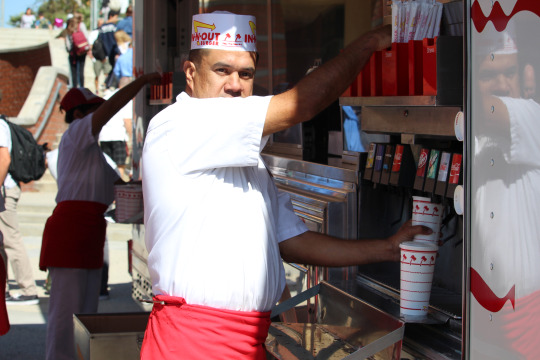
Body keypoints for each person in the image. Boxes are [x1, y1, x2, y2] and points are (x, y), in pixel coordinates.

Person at [140, 12, 430, 359]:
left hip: (247, 341)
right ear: (191, 73)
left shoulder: (249, 163)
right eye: (222, 70)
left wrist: (387, 247)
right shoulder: (181, 125)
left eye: (245, 73)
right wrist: (368, 43)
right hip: (194, 343)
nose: (235, 84)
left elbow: (292, 242)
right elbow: (301, 104)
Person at [39, 73, 160, 360]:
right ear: (78, 114)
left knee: (85, 313)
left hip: (89, 232)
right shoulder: (77, 133)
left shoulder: (91, 153)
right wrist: (139, 84)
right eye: (92, 109)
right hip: (71, 229)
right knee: (64, 314)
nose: (98, 115)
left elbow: (123, 189)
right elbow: (109, 111)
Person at [0, 116, 39, 306]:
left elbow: (4, 159)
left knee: (10, 240)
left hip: (4, 190)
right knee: (4, 241)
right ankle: (5, 288)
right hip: (5, 189)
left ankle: (28, 289)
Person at [98, 10, 121, 88]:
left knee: (112, 69)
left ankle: (107, 84)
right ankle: (108, 84)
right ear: (111, 16)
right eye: (116, 17)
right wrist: (118, 51)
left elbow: (99, 40)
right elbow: (117, 39)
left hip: (105, 52)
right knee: (115, 69)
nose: (117, 19)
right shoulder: (114, 27)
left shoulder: (102, 27)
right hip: (114, 52)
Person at [65, 17, 89, 88]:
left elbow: (68, 44)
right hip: (82, 51)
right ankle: (82, 87)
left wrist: (69, 50)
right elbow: (86, 37)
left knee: (73, 72)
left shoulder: (69, 29)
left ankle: (74, 88)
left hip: (73, 53)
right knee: (81, 71)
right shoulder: (80, 25)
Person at [89, 18, 111, 95]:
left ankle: (105, 87)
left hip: (105, 57)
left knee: (107, 73)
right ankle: (97, 90)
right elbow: (90, 45)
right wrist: (91, 56)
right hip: (97, 57)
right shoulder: (94, 33)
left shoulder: (107, 32)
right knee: (97, 75)